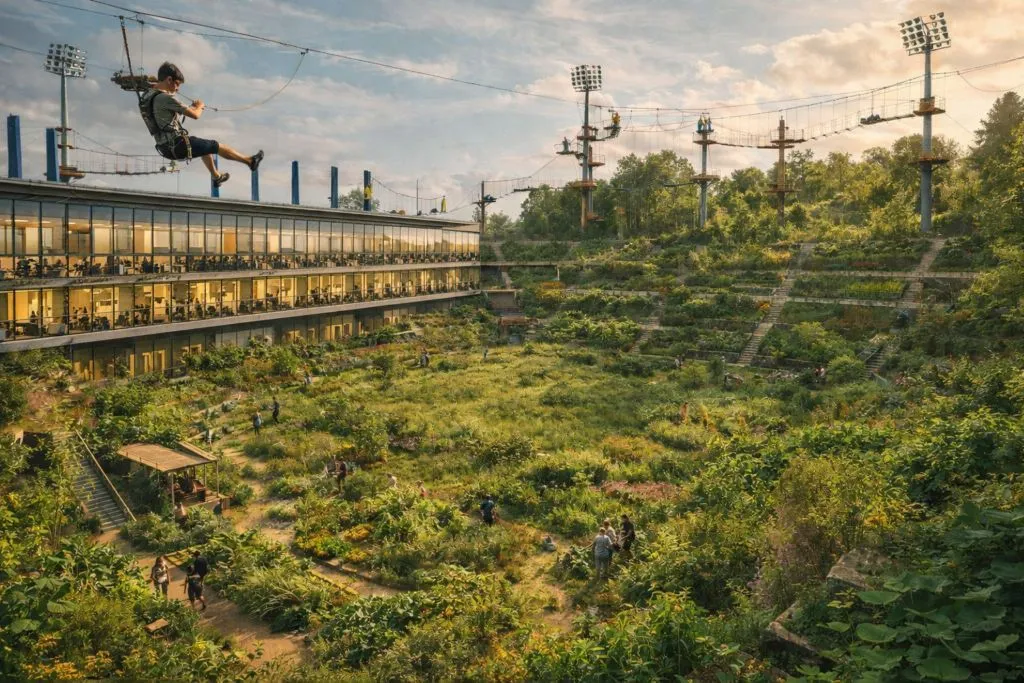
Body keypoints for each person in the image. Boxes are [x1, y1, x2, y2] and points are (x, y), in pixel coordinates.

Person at [139, 62, 263, 187]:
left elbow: (163, 108)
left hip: (164, 147)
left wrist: (190, 107)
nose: (177, 89)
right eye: (177, 84)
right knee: (216, 146)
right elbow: (196, 115)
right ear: (169, 79)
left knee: (204, 147)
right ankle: (250, 161)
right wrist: (199, 107)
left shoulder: (147, 95)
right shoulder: (165, 98)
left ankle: (216, 177)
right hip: (177, 145)